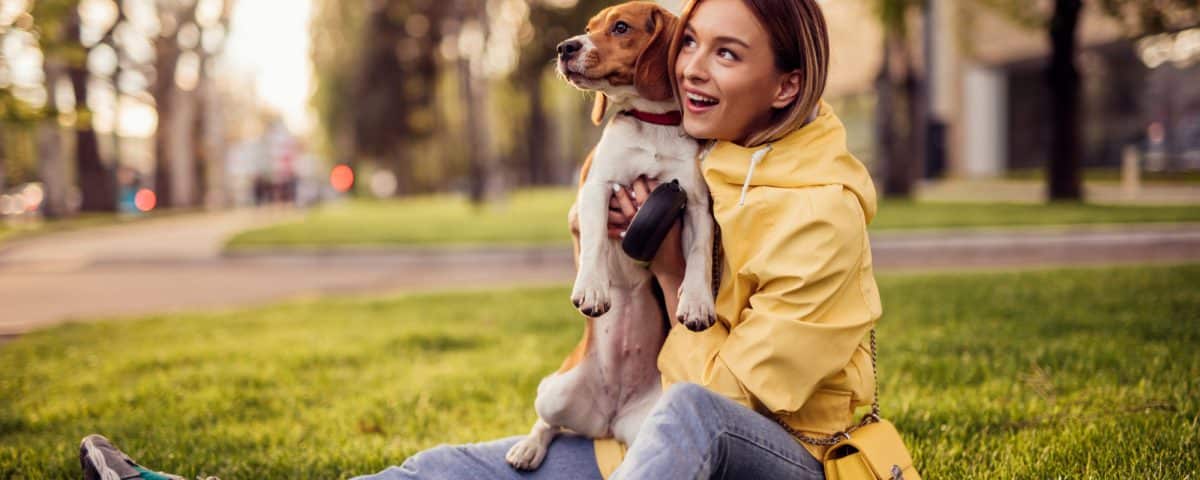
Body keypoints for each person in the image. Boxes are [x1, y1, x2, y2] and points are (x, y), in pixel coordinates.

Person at [79, 0, 881, 478]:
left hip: (790, 458)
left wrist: (672, 273)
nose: (693, 69)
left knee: (692, 418)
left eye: (727, 54)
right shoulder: (705, 153)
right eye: (694, 44)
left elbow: (742, 399)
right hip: (647, 438)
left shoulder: (820, 206)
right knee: (453, 470)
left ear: (785, 85)